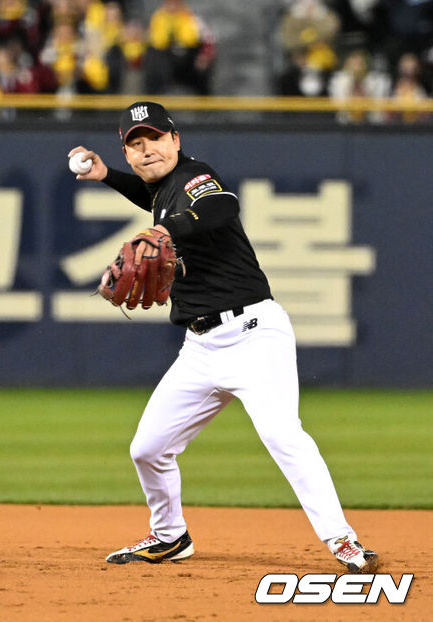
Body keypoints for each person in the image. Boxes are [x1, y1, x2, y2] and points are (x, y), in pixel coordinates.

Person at [67, 101, 378, 573]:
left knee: (282, 435)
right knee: (148, 448)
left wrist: (162, 229)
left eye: (154, 138)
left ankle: (343, 542)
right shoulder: (162, 191)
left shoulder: (195, 177)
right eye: (135, 143)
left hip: (254, 335)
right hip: (200, 349)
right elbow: (150, 197)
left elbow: (218, 207)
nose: (146, 149)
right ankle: (170, 536)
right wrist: (107, 174)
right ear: (128, 154)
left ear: (176, 139)